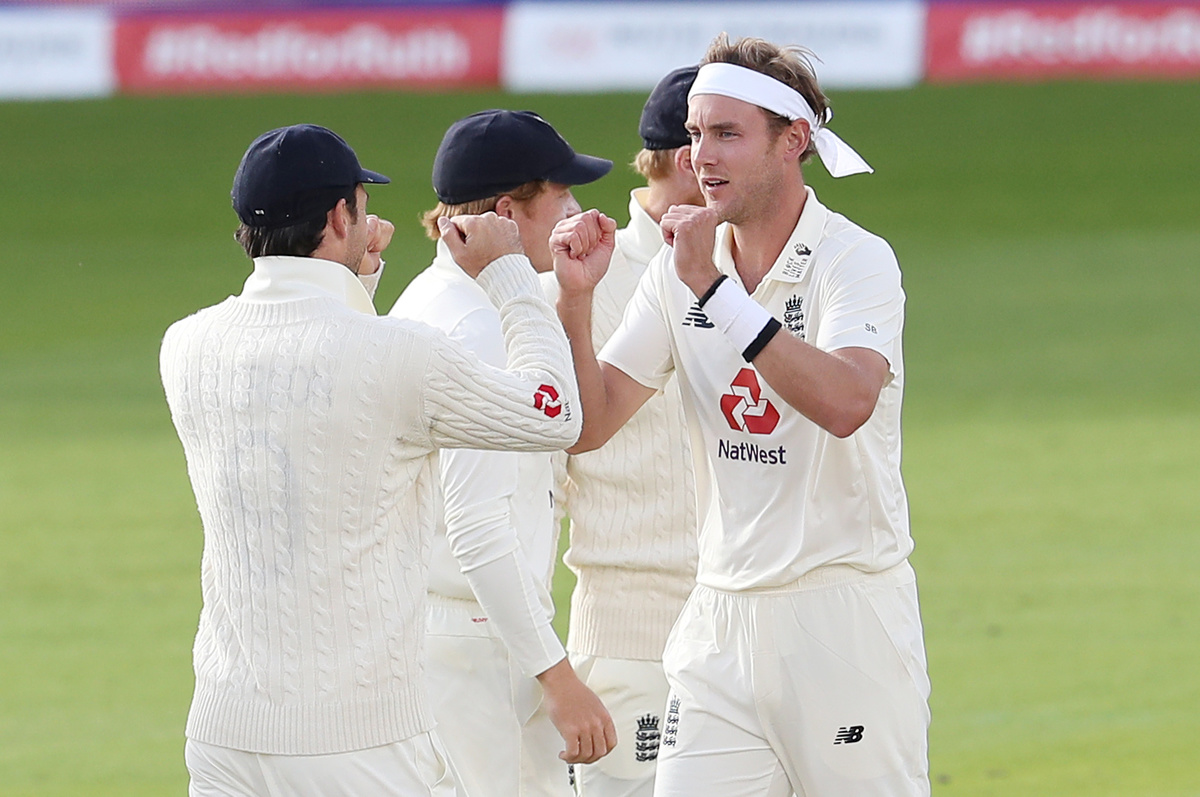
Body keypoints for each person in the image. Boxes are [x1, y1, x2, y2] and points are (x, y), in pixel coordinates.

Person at [160, 123, 614, 797]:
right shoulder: (400, 353)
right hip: (357, 738)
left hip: (225, 730)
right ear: (339, 217)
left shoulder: (186, 345)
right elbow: (555, 416)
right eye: (362, 204)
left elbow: (323, 400)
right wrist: (511, 275)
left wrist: (356, 283)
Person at [550, 34, 931, 797]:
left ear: (794, 141)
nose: (701, 156)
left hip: (842, 620)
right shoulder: (679, 270)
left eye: (727, 133)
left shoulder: (854, 260)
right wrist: (575, 300)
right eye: (695, 133)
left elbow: (846, 402)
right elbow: (590, 426)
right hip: (718, 622)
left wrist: (717, 293)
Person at [388, 109, 615, 797]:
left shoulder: (430, 297)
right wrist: (557, 674)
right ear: (508, 213)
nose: (574, 211)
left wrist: (572, 298)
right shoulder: (477, 325)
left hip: (452, 630)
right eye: (561, 194)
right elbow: (477, 524)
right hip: (477, 641)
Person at [540, 67, 702, 797]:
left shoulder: (749, 269)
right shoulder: (578, 281)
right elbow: (539, 474)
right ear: (691, 156)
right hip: (631, 640)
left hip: (747, 628)